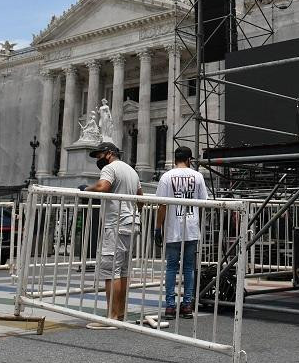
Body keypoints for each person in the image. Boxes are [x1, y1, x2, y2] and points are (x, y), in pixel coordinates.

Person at [83, 141, 142, 329]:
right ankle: (121, 315)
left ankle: (112, 316)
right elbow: (141, 199)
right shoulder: (132, 171)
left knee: (111, 271)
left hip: (115, 224)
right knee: (123, 272)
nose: (98, 160)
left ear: (109, 153)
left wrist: (85, 189)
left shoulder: (110, 168)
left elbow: (103, 187)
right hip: (132, 222)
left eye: (99, 156)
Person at [154, 146, 209, 320]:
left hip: (172, 228)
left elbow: (161, 205)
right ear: (189, 159)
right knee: (188, 268)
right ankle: (187, 305)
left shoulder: (166, 177)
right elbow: (204, 203)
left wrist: (158, 227)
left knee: (171, 267)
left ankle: (170, 306)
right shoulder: (198, 176)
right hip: (191, 227)